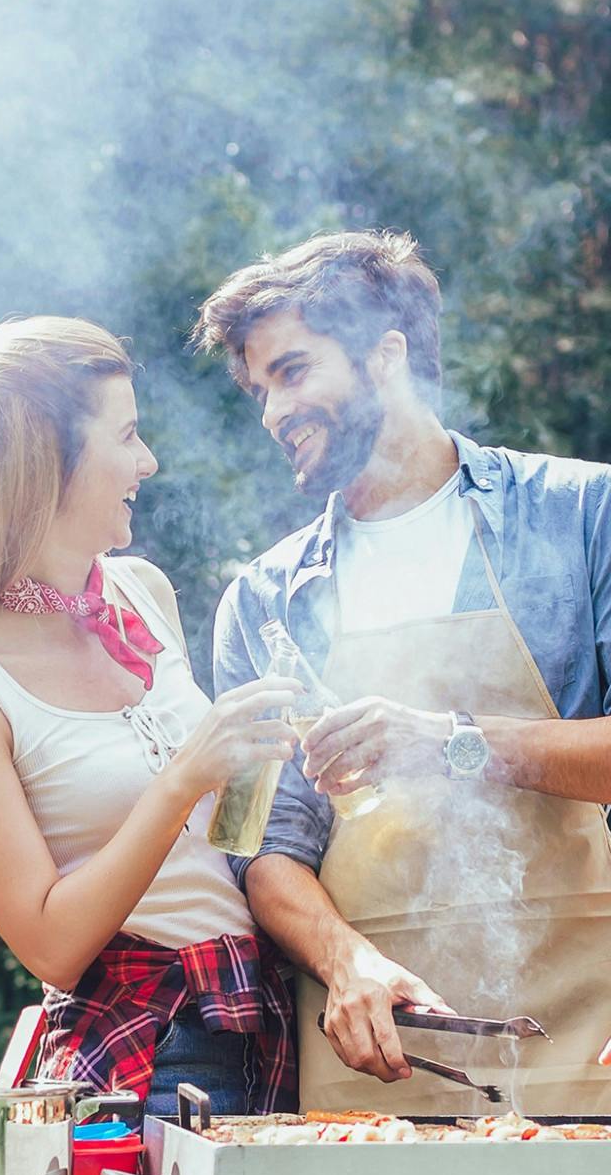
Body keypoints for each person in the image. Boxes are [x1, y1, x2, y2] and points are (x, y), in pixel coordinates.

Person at [197, 230, 611, 1112]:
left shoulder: (583, 516)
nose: (274, 411)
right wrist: (346, 961)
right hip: (379, 1044)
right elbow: (260, 845)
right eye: (260, 388)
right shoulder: (262, 600)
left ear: (386, 355)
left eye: (295, 370)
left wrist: (454, 744)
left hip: (593, 1026)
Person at [0, 318, 301, 1112]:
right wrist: (183, 778)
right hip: (144, 1049)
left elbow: (221, 842)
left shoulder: (144, 591)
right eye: (129, 435)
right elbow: (53, 946)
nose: (149, 461)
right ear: (46, 463)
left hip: (264, 1010)